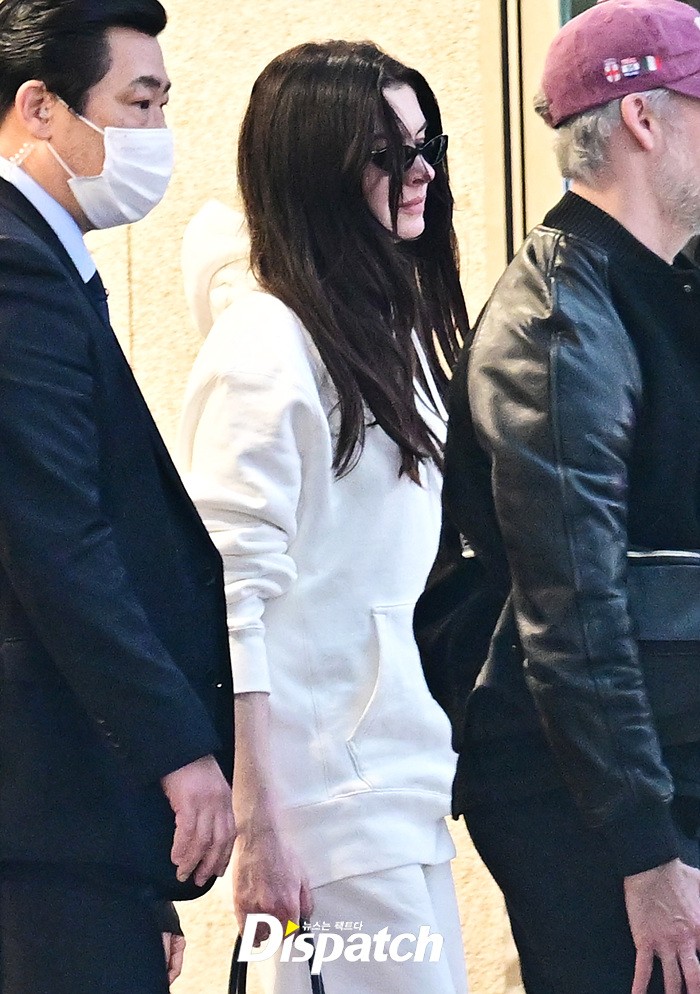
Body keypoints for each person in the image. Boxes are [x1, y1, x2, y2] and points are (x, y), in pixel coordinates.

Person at [178, 40, 470, 994]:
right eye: (386, 154)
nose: (420, 172)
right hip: (326, 814)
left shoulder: (380, 336)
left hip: (395, 784)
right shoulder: (264, 347)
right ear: (316, 173)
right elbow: (233, 600)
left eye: (424, 146)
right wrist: (261, 826)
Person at [432, 1, 700, 992]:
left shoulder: (664, 283)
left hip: (663, 761)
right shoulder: (555, 318)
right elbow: (572, 601)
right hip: (584, 796)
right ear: (643, 117)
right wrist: (644, 849)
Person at [0, 2, 235, 992]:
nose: (157, 134)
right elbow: (59, 535)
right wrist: (174, 749)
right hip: (43, 806)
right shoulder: (14, 262)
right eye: (138, 104)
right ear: (40, 108)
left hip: (74, 814)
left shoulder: (48, 255)